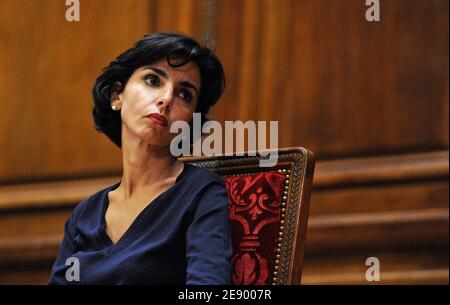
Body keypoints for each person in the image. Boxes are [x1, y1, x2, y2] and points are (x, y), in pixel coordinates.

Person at [48, 32, 233, 285]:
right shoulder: (84, 215)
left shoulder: (201, 195)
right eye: (152, 80)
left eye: (184, 95)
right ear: (117, 96)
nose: (166, 99)